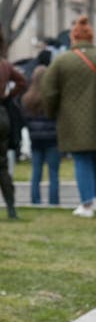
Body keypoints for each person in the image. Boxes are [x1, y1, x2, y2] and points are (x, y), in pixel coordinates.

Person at [41, 15, 96, 217]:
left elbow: (48, 90)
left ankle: (86, 204)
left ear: (73, 37)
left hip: (72, 117)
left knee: (81, 158)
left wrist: (52, 111)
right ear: (91, 37)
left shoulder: (62, 60)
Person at [22, 65, 60, 205]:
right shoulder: (52, 97)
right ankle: (54, 201)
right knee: (53, 173)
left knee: (36, 172)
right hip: (52, 139)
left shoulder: (27, 98)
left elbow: (26, 120)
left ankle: (35, 200)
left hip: (35, 140)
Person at [0, 26, 27, 219]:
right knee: (1, 166)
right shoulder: (5, 65)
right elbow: (22, 82)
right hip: (1, 116)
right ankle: (10, 207)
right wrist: (8, 95)